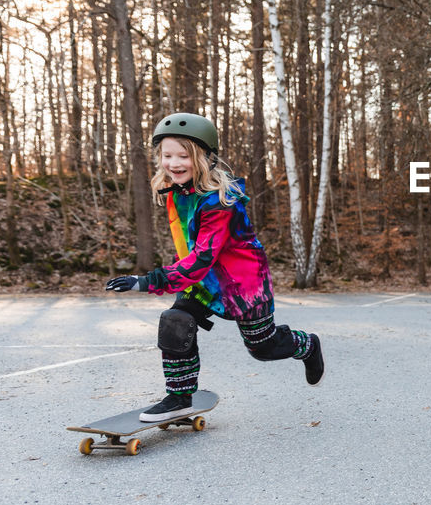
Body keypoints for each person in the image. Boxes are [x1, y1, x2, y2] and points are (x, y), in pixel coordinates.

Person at [106, 112, 324, 421]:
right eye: (167, 155)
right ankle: (179, 397)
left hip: (242, 285)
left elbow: (203, 257)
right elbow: (191, 250)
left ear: (206, 158)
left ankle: (307, 345)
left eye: (184, 155)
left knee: (263, 347)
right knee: (175, 320)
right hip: (203, 282)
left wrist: (147, 281)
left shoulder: (220, 201)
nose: (174, 163)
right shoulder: (178, 192)